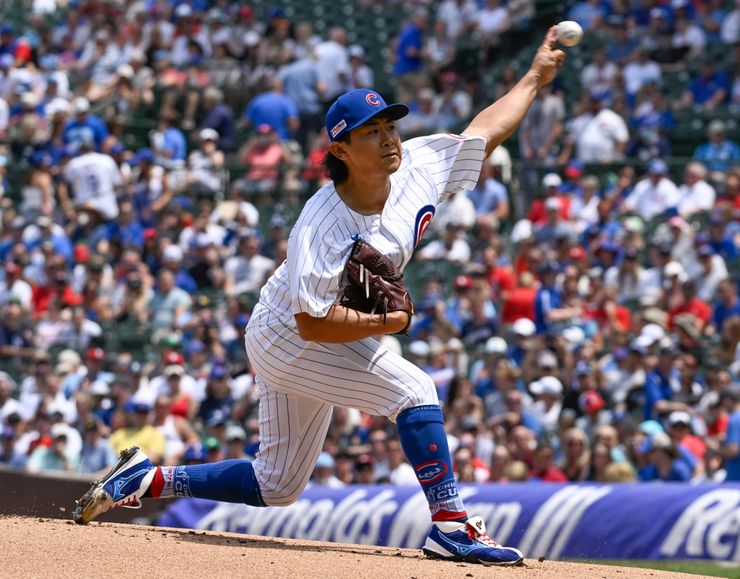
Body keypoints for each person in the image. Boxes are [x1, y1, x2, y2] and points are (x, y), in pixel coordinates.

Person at [72, 26, 567, 567]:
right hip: (289, 334)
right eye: (370, 132)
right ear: (340, 149)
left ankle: (148, 478)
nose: (387, 138)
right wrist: (391, 325)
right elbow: (312, 323)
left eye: (388, 125)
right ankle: (452, 526)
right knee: (415, 388)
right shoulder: (321, 224)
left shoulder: (418, 167)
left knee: (277, 485)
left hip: (313, 329)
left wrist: (535, 76)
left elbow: (484, 132)